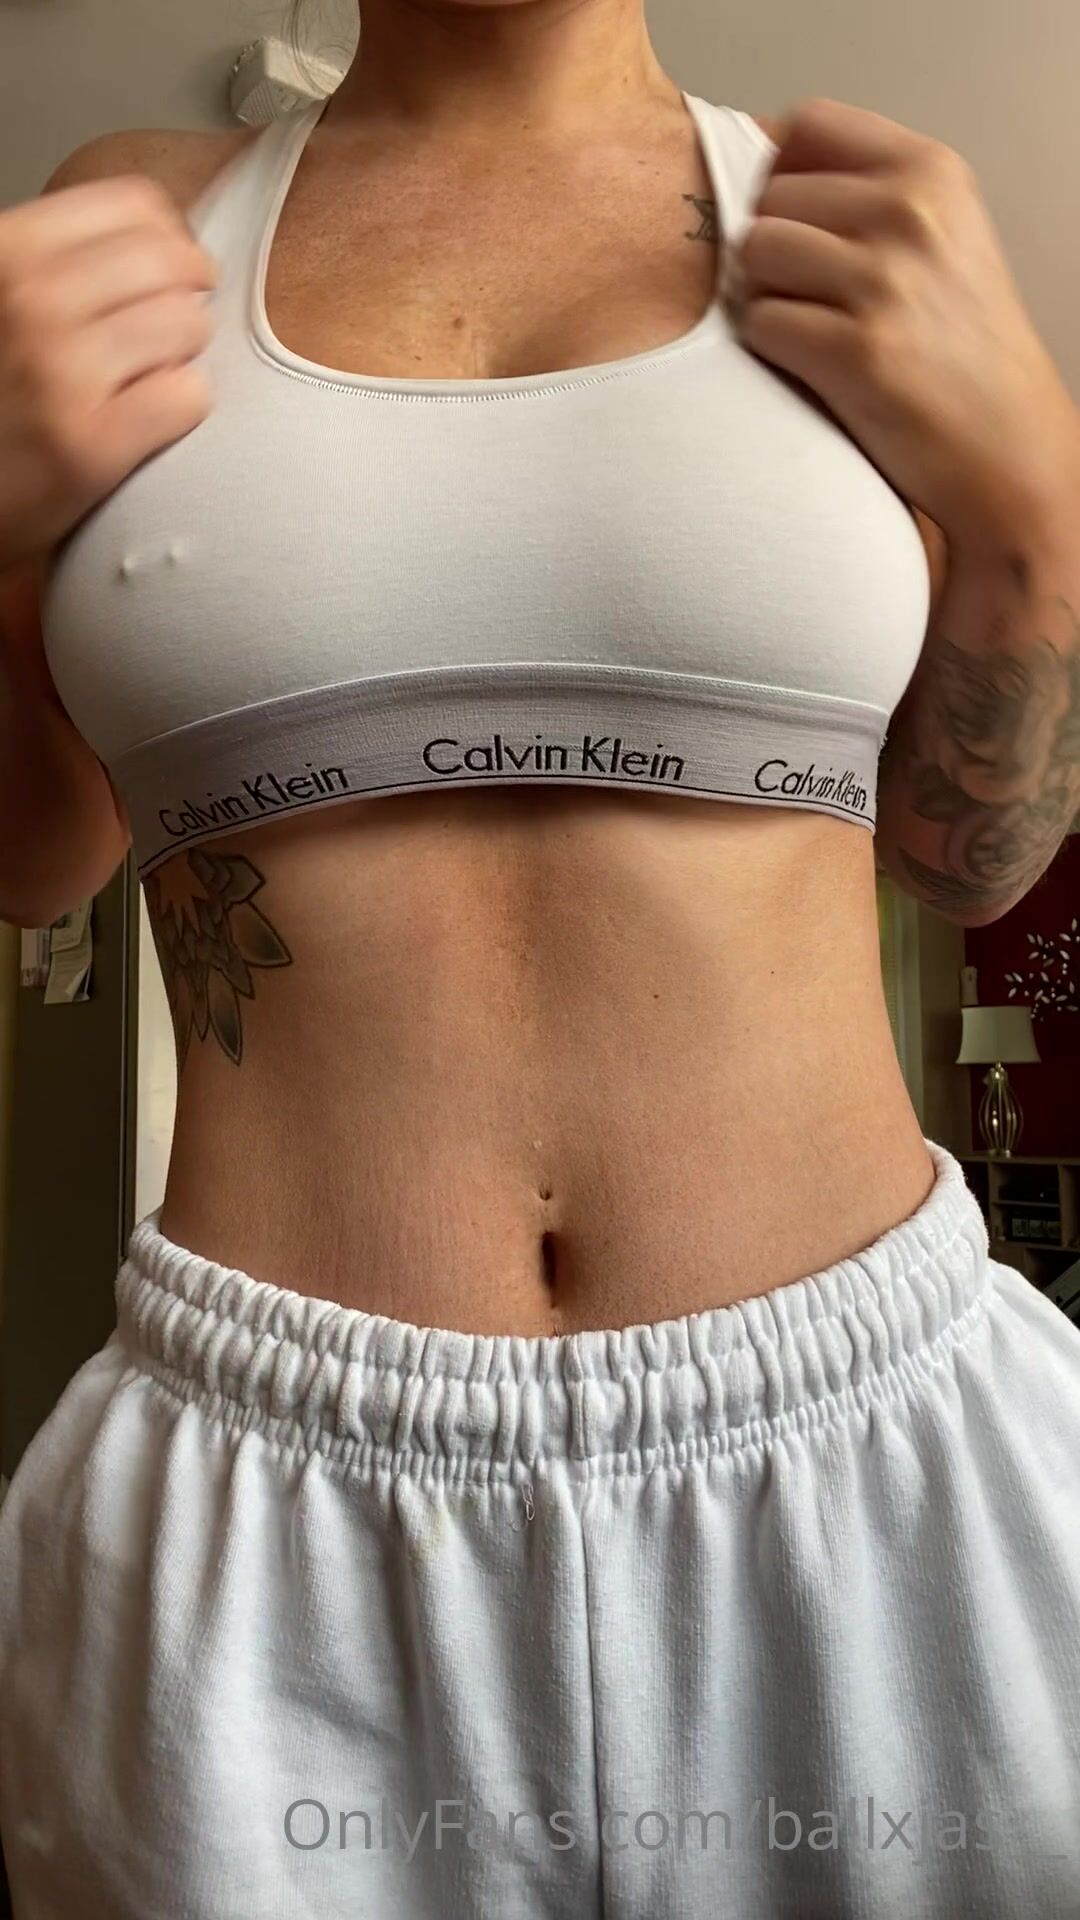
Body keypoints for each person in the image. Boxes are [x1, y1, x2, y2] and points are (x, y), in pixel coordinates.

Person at [1, 0, 1079, 1910]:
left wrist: (1038, 502)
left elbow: (964, 861)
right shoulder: (134, 227)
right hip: (268, 1518)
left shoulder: (846, 224)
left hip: (878, 1456)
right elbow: (34, 865)